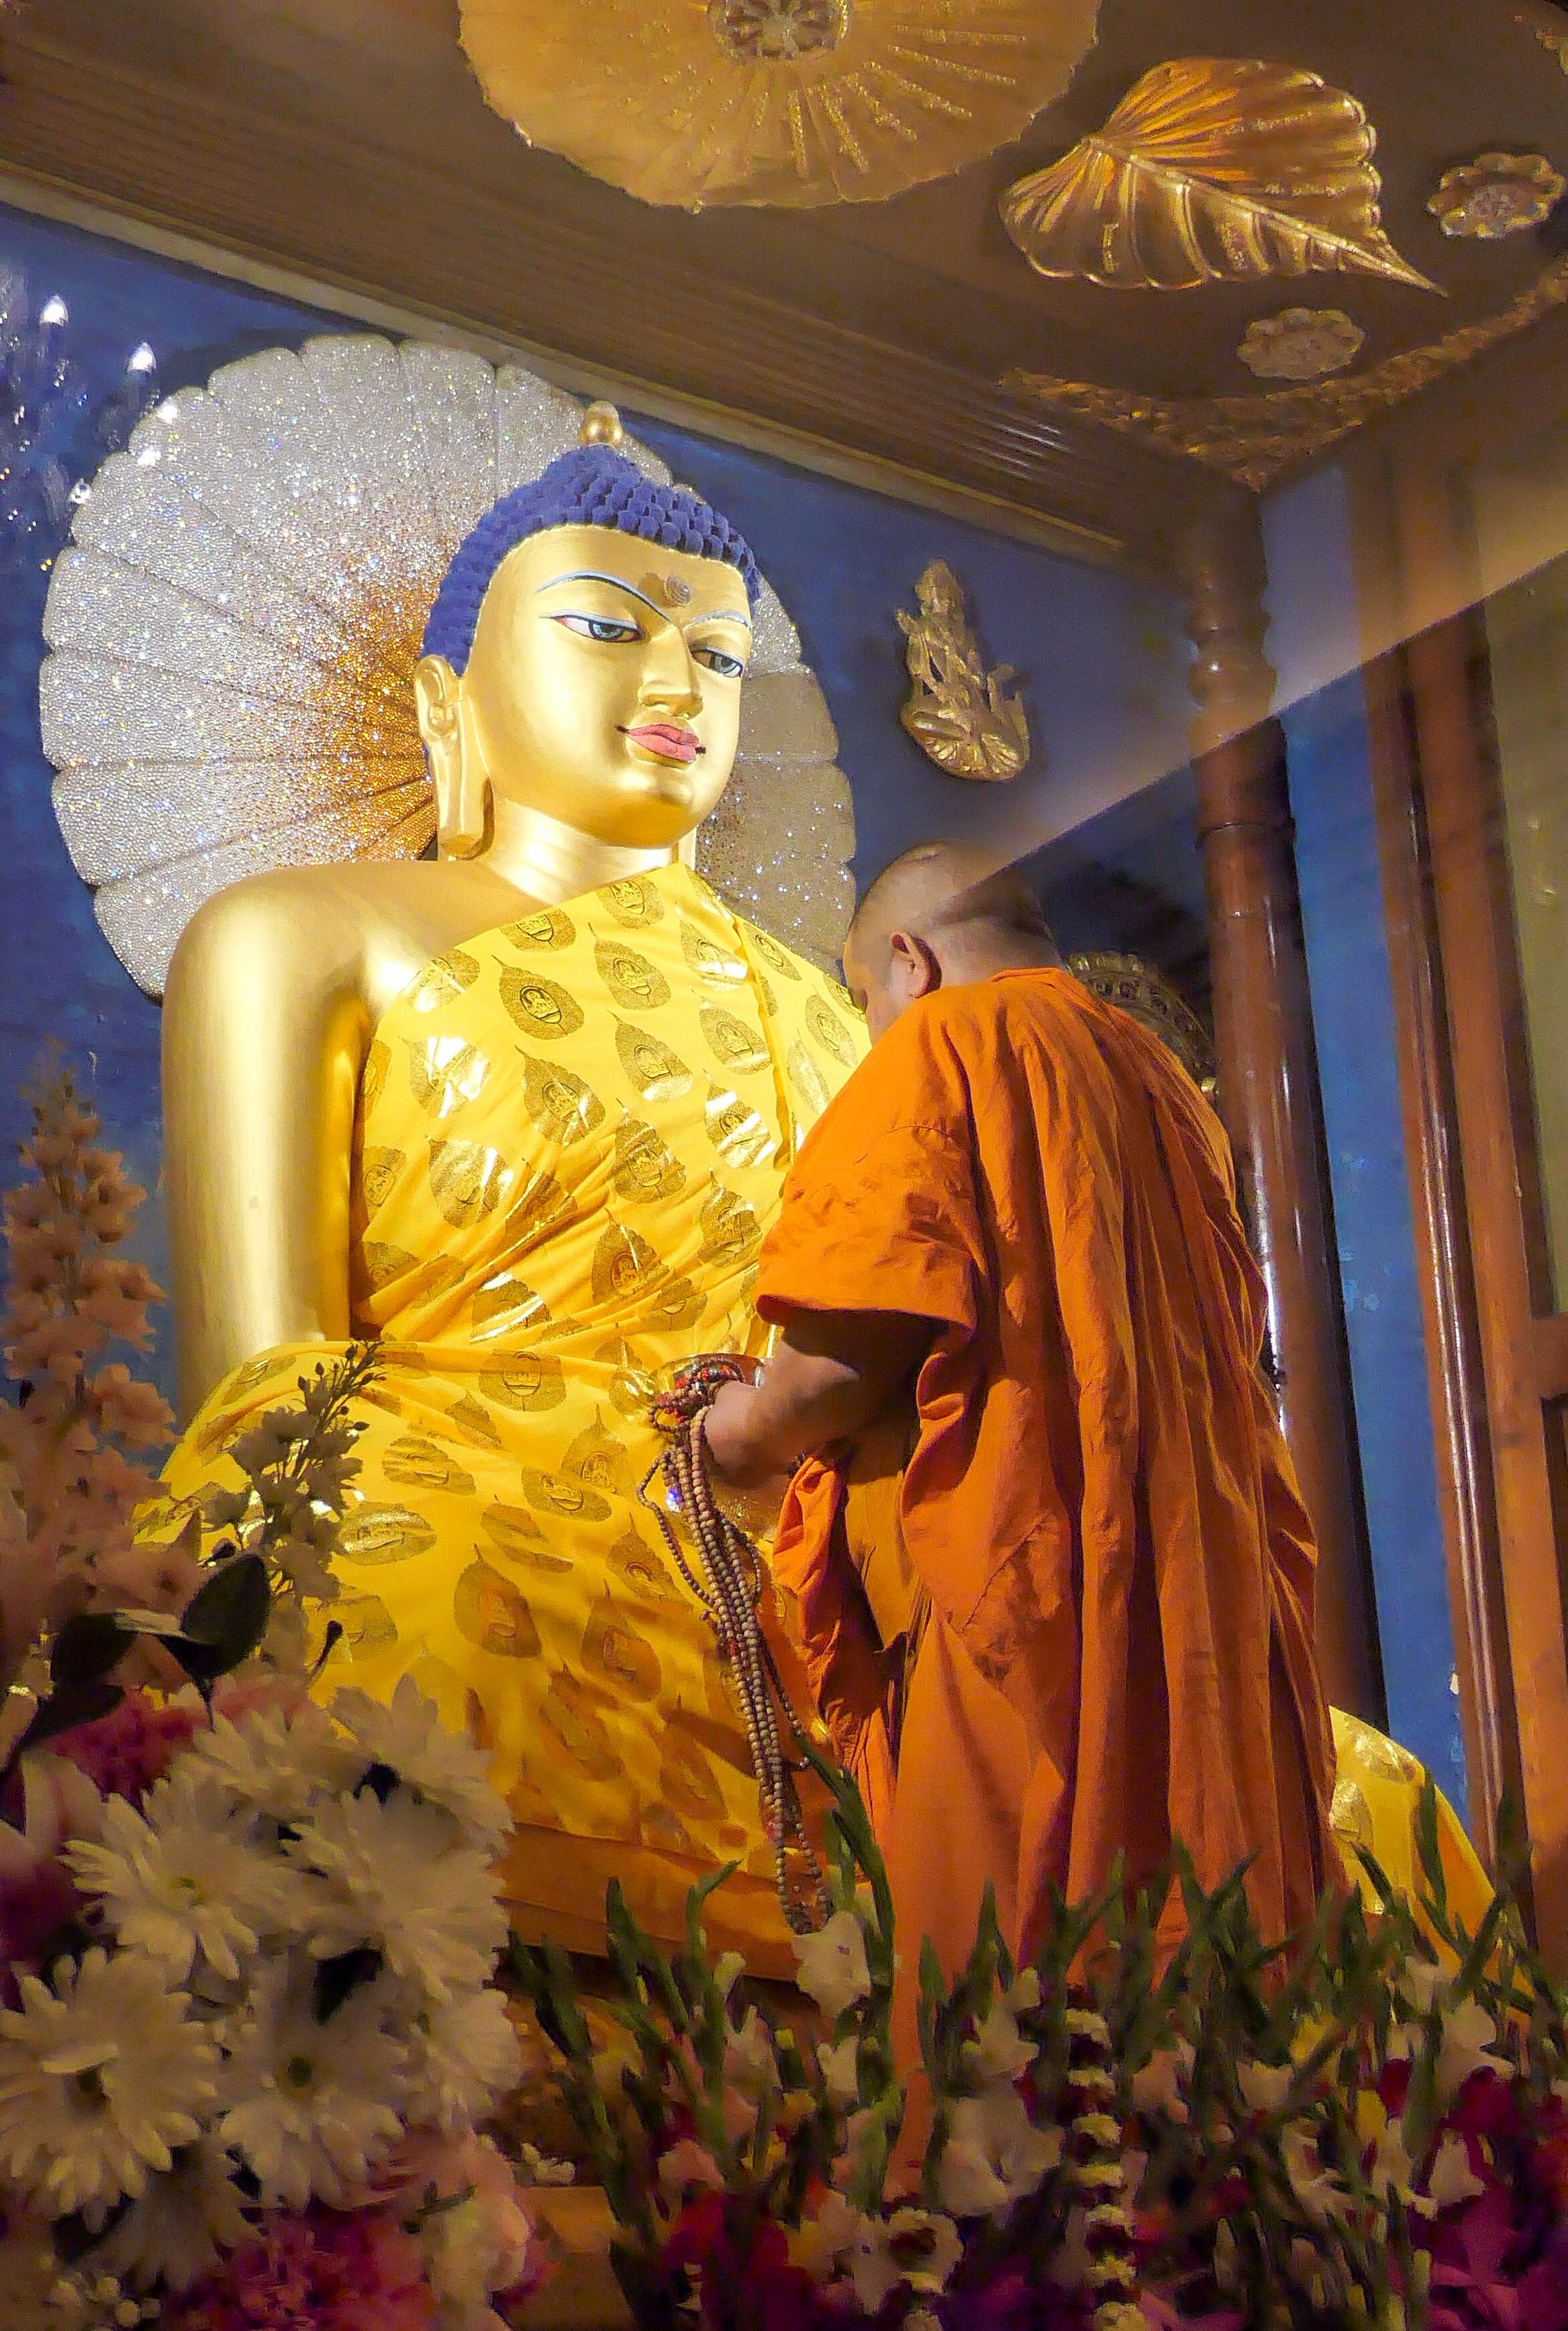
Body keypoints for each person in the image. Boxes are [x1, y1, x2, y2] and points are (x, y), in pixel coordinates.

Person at [152, 411, 867, 1977]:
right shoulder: (302, 934)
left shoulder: (831, 1018)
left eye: (719, 658)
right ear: (441, 697)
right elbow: (266, 1391)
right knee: (410, 1604)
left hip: (788, 1535)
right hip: (451, 1499)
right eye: (608, 628)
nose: (676, 686)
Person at [703, 842, 1343, 2007]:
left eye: (861, 1003)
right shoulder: (1157, 1079)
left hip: (1022, 1611)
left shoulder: (945, 1044)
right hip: (1182, 1609)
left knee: (1002, 2021)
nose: (870, 1033)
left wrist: (738, 1431)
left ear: (908, 962)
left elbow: (847, 1358)